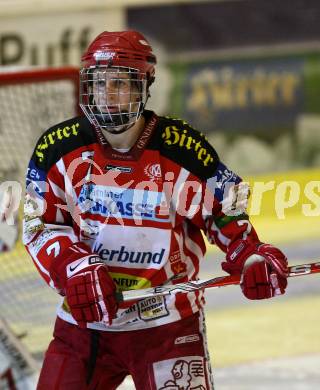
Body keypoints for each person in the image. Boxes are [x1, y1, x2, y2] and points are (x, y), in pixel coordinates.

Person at [23, 30, 288, 390]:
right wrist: (73, 269)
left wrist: (249, 250)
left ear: (144, 86)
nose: (107, 94)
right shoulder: (57, 147)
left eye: (120, 83)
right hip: (85, 324)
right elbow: (39, 223)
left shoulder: (182, 148)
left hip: (167, 323)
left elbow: (223, 208)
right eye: (99, 83)